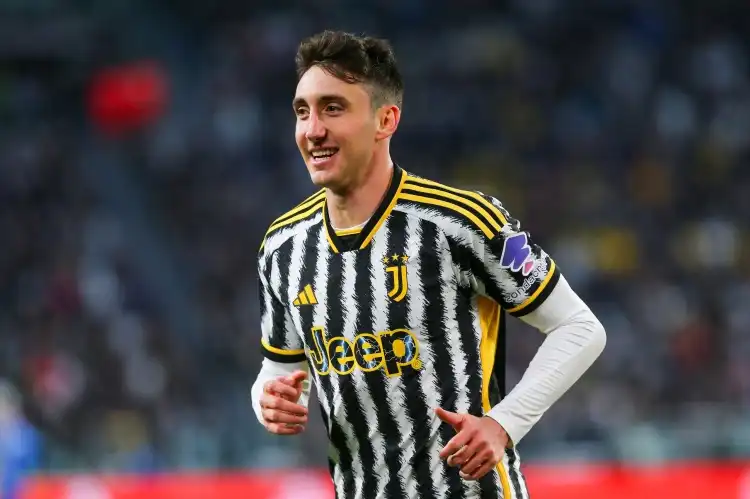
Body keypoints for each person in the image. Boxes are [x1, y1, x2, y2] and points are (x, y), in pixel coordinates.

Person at [251, 30, 606, 499]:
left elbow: (580, 328)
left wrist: (503, 424)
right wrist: (268, 400)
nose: (312, 129)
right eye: (303, 111)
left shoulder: (460, 221)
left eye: (333, 109)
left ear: (385, 120)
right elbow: (278, 369)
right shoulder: (282, 247)